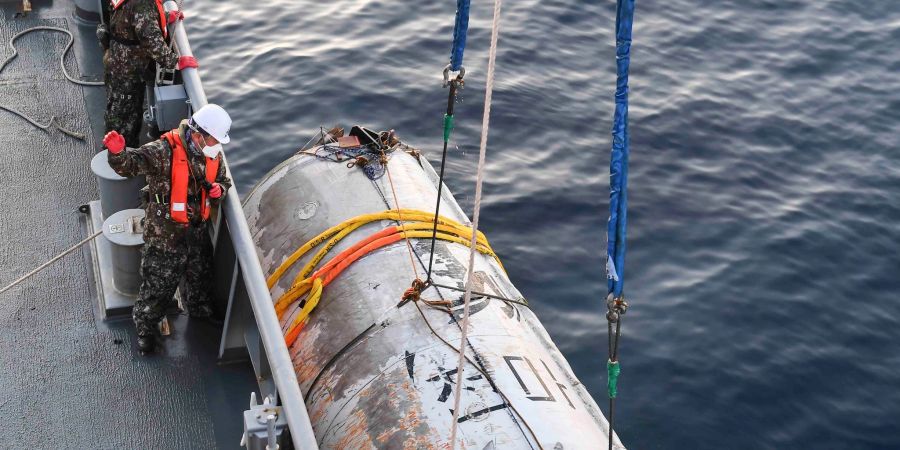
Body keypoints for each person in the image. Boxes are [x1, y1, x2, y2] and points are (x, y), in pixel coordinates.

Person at [103, 104, 232, 354]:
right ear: (198, 135)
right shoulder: (162, 151)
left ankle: (200, 310)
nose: (218, 146)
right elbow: (130, 165)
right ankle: (145, 327)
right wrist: (118, 153)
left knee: (200, 275)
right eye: (215, 140)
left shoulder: (212, 153)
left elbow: (223, 180)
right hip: (165, 235)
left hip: (195, 230)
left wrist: (220, 190)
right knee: (157, 285)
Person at [103, 0, 197, 147]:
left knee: (121, 111)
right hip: (126, 73)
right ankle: (118, 155)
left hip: (120, 63)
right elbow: (152, 42)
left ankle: (121, 152)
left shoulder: (142, 6)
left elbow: (131, 18)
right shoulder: (143, 4)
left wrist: (164, 17)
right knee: (125, 119)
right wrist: (176, 62)